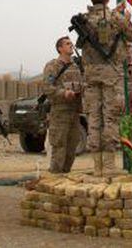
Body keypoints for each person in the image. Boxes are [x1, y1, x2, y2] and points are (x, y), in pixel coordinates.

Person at [79, 0, 132, 176]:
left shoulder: (84, 19)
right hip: (112, 75)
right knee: (111, 118)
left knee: (94, 118)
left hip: (91, 74)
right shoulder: (114, 18)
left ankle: (97, 167)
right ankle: (110, 167)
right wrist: (126, 19)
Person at [42, 36, 83, 173]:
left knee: (72, 147)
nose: (71, 45)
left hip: (75, 112)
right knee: (59, 147)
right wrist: (63, 93)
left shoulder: (76, 66)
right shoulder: (52, 66)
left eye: (71, 43)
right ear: (60, 48)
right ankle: (54, 178)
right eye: (67, 44)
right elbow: (47, 88)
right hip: (60, 112)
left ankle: (65, 178)